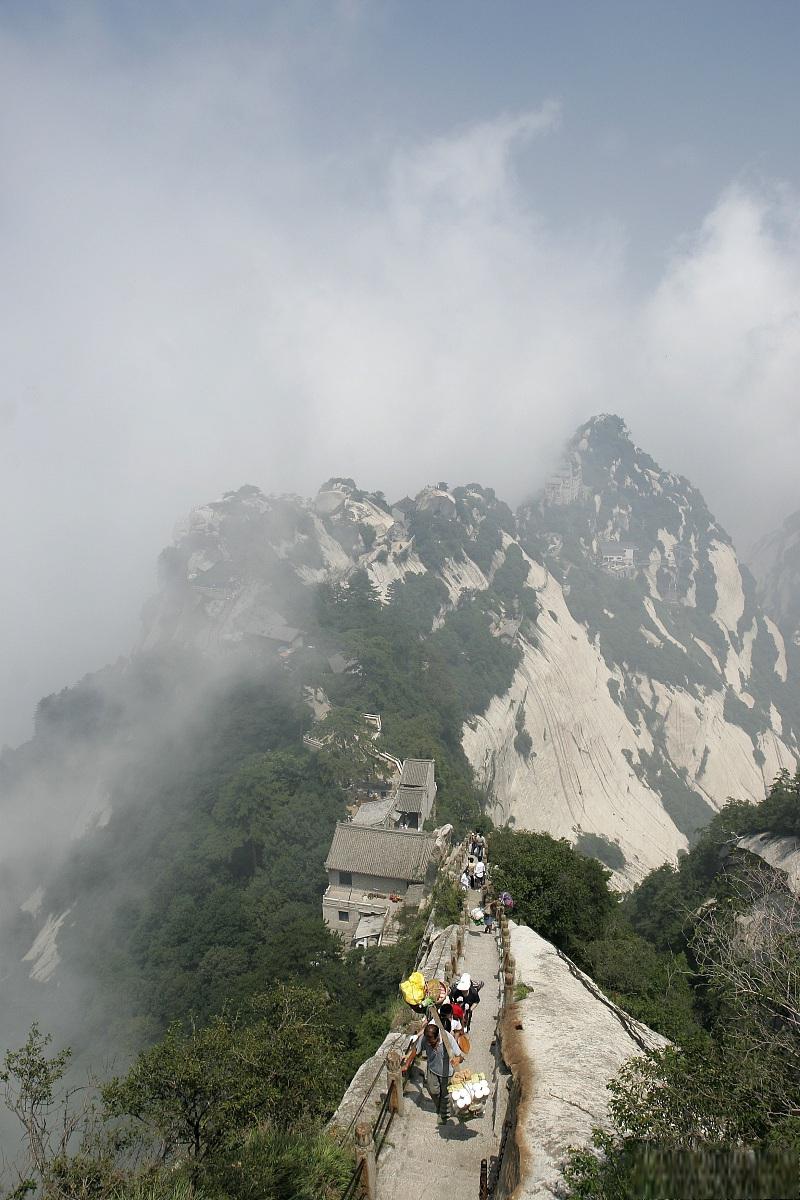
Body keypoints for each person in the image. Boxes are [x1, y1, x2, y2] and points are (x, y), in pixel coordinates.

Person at [412, 1021, 462, 1124]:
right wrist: (407, 1063)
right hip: (432, 1069)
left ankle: (443, 1115)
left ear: (437, 1036)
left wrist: (457, 1060)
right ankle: (440, 1107)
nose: (429, 1044)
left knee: (445, 1095)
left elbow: (459, 1056)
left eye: (432, 1042)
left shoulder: (448, 1039)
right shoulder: (425, 1038)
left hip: (446, 1073)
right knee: (433, 1091)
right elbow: (416, 1050)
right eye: (428, 1041)